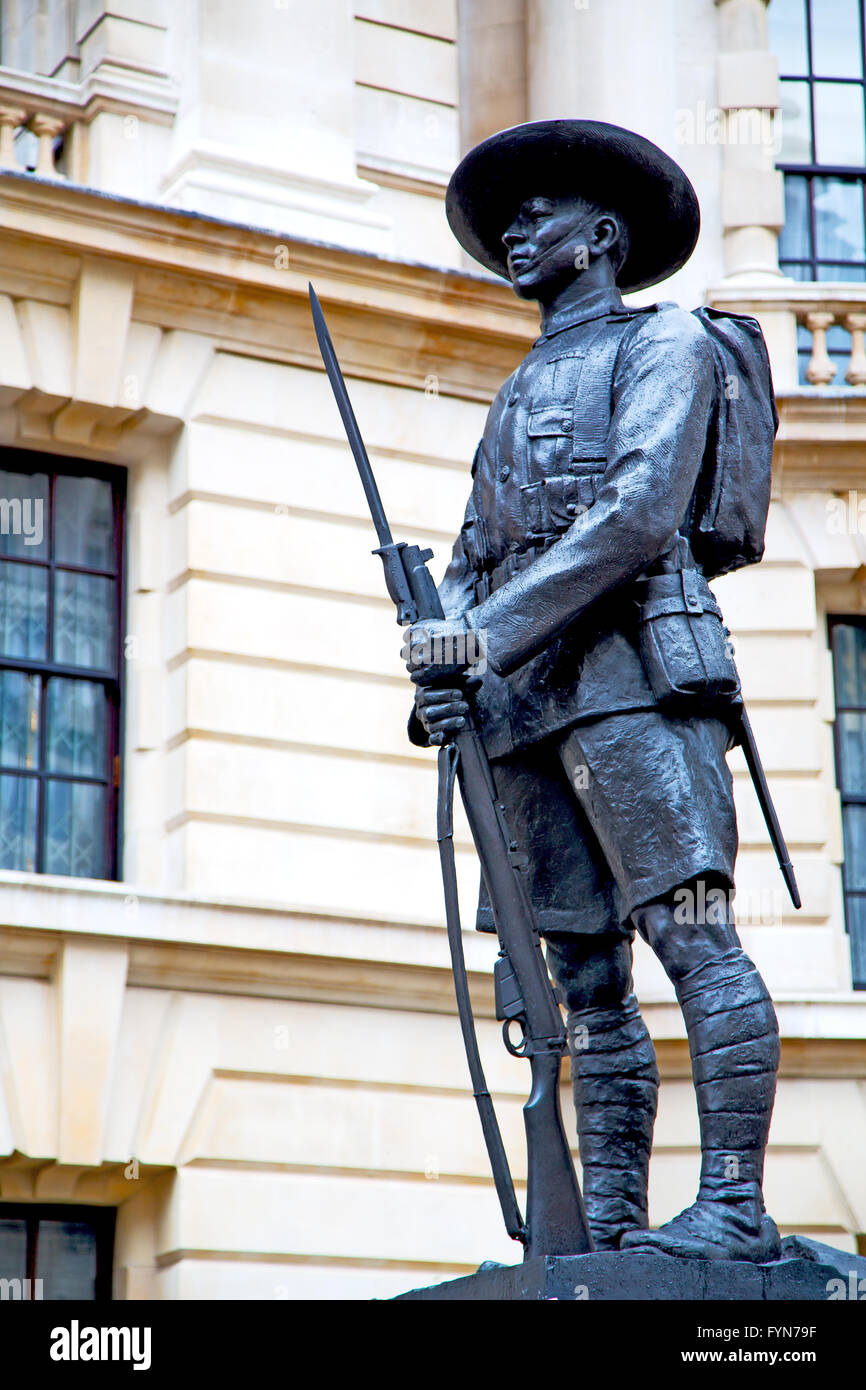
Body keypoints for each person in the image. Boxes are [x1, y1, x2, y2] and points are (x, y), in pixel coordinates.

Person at [404, 120, 781, 1262]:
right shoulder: (515, 387)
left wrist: (476, 633)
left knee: (694, 935)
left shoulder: (664, 343)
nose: (517, 229)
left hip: (631, 686)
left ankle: (732, 1207)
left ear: (604, 236)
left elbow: (633, 517)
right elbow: (476, 550)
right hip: (524, 712)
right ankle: (604, 1231)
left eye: (543, 211)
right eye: (509, 218)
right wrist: (441, 666)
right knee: (580, 982)